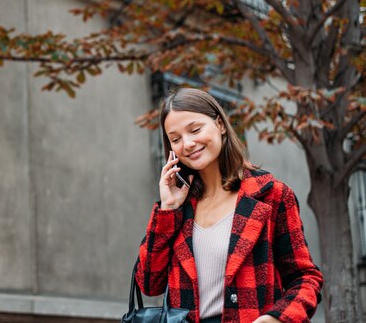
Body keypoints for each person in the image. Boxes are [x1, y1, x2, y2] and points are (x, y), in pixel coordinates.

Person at [136, 88, 323, 323]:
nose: (188, 143)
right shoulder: (178, 207)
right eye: (176, 139)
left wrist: (278, 318)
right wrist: (168, 208)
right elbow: (150, 283)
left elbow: (305, 277)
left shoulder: (271, 195)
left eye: (195, 130)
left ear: (220, 125)